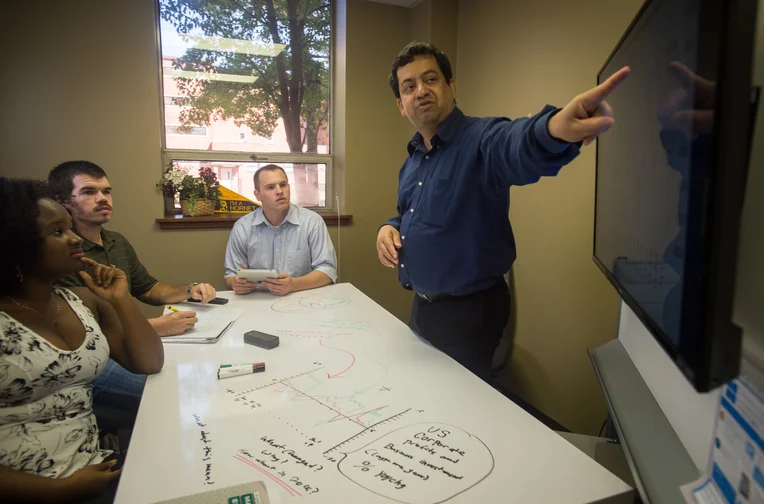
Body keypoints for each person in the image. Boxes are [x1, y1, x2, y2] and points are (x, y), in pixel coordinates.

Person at [376, 42, 630, 382]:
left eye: (430, 79)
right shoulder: (412, 161)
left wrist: (552, 130)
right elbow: (408, 213)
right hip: (424, 307)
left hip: (470, 314)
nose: (420, 91)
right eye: (409, 87)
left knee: (457, 415)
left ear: (451, 86)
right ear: (400, 104)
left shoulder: (481, 140)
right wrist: (389, 227)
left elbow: (514, 144)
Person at [0, 178, 164, 504]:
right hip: (31, 491)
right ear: (15, 245)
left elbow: (148, 362)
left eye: (69, 228)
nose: (75, 239)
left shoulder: (82, 300)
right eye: (58, 232)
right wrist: (58, 490)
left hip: (93, 470)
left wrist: (121, 299)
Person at [47, 160, 215, 411]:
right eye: (89, 192)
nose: (102, 198)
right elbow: (82, 332)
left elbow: (147, 287)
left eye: (106, 191)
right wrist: (154, 327)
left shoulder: (116, 241)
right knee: (166, 397)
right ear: (63, 202)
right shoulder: (63, 253)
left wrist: (189, 290)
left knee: (193, 373)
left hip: (128, 342)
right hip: (93, 358)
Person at [224, 164, 338, 296]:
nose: (279, 191)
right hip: (258, 300)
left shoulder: (312, 222)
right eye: (271, 187)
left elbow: (328, 270)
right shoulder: (243, 227)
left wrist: (293, 285)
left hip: (302, 297)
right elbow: (230, 275)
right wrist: (236, 283)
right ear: (258, 195)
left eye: (283, 185)